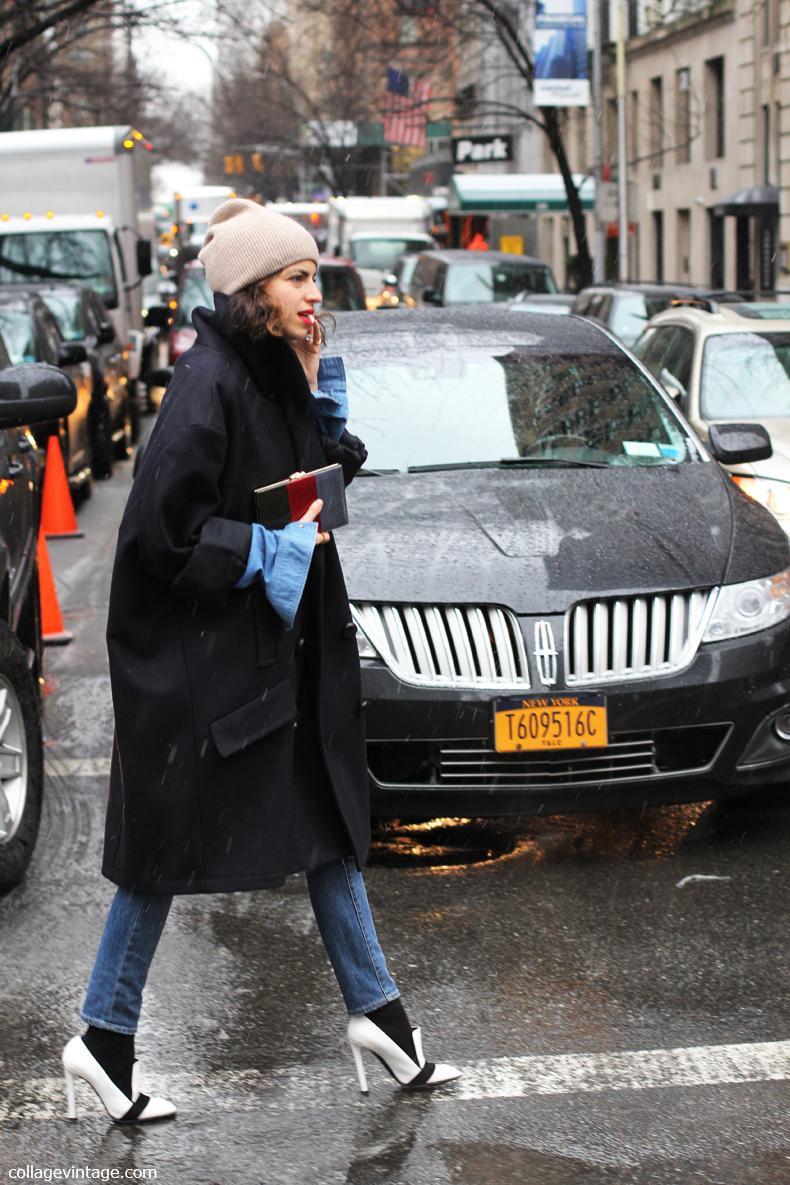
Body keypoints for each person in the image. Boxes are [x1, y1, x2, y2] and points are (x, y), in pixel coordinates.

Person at [62, 198, 460, 1124]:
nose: (314, 294)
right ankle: (104, 1036)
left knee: (323, 819)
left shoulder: (270, 371)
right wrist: (273, 552)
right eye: (297, 278)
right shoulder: (209, 385)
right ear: (251, 294)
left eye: (315, 276)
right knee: (165, 844)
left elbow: (317, 477)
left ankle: (381, 1018)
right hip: (202, 660)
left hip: (267, 646)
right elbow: (163, 535)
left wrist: (319, 385)